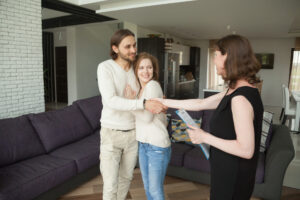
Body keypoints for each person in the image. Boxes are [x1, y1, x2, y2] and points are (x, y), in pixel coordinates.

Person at [155, 34, 264, 200]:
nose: (214, 60)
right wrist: (162, 102)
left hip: (233, 178)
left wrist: (204, 137)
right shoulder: (235, 91)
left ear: (229, 56)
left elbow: (246, 149)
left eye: (216, 55)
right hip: (226, 170)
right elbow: (200, 103)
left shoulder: (240, 99)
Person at [97, 29, 167, 200]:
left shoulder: (136, 71)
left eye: (134, 45)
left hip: (134, 135)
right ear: (115, 48)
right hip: (111, 134)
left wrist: (160, 102)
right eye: (127, 46)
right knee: (110, 185)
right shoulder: (105, 67)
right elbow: (111, 100)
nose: (133, 50)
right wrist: (143, 104)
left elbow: (149, 92)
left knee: (126, 179)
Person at [124, 52, 171, 200]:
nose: (145, 71)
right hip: (144, 144)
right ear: (136, 70)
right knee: (148, 188)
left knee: (155, 191)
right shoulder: (140, 91)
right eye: (141, 68)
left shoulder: (153, 85)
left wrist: (131, 103)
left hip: (157, 146)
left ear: (154, 70)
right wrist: (134, 102)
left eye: (149, 67)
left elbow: (147, 117)